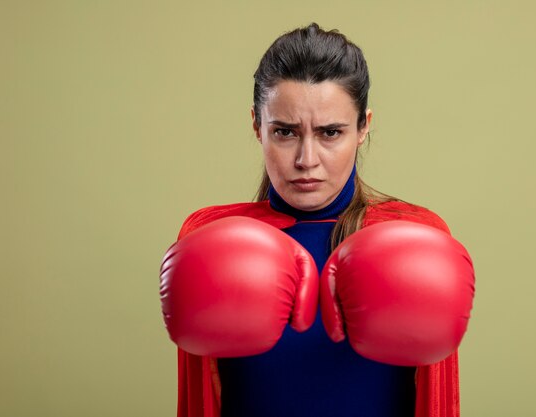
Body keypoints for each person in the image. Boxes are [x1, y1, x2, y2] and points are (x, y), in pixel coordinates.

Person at [160, 23, 475, 417]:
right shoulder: (208, 239)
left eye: (330, 132)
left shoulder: (415, 238)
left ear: (363, 127)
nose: (306, 159)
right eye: (285, 132)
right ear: (257, 125)